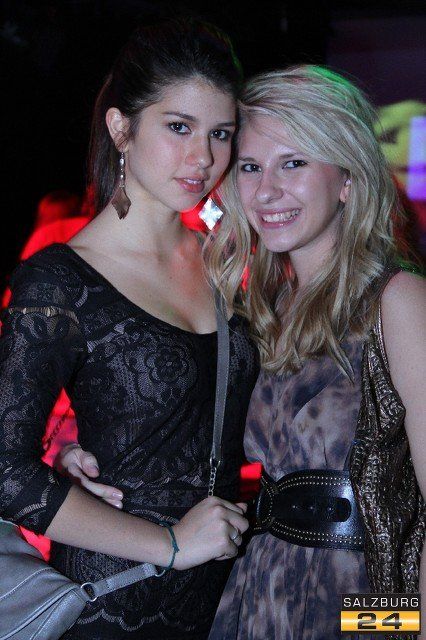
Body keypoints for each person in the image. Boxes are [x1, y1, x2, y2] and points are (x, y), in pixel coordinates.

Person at [0, 19, 260, 640]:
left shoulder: (229, 263)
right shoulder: (60, 280)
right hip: (114, 604)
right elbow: (5, 473)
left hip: (234, 598)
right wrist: (170, 544)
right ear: (121, 128)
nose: (204, 157)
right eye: (179, 127)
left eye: (220, 133)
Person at [203, 65, 426, 639]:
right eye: (250, 167)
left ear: (347, 178)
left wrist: (397, 628)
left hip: (361, 603)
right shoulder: (257, 308)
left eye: (293, 163)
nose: (266, 191)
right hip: (260, 594)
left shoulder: (397, 300)